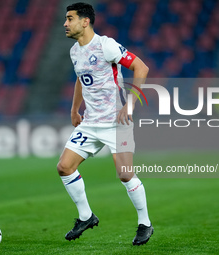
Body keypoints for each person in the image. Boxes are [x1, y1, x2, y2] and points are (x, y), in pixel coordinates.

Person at [57, 2, 153, 246]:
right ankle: (86, 216)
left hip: (115, 121)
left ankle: (145, 223)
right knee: (64, 167)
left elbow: (141, 67)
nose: (65, 24)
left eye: (70, 18)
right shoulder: (74, 51)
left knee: (124, 174)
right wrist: (74, 108)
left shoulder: (106, 45)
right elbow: (81, 80)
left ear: (85, 21)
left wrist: (130, 104)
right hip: (90, 123)